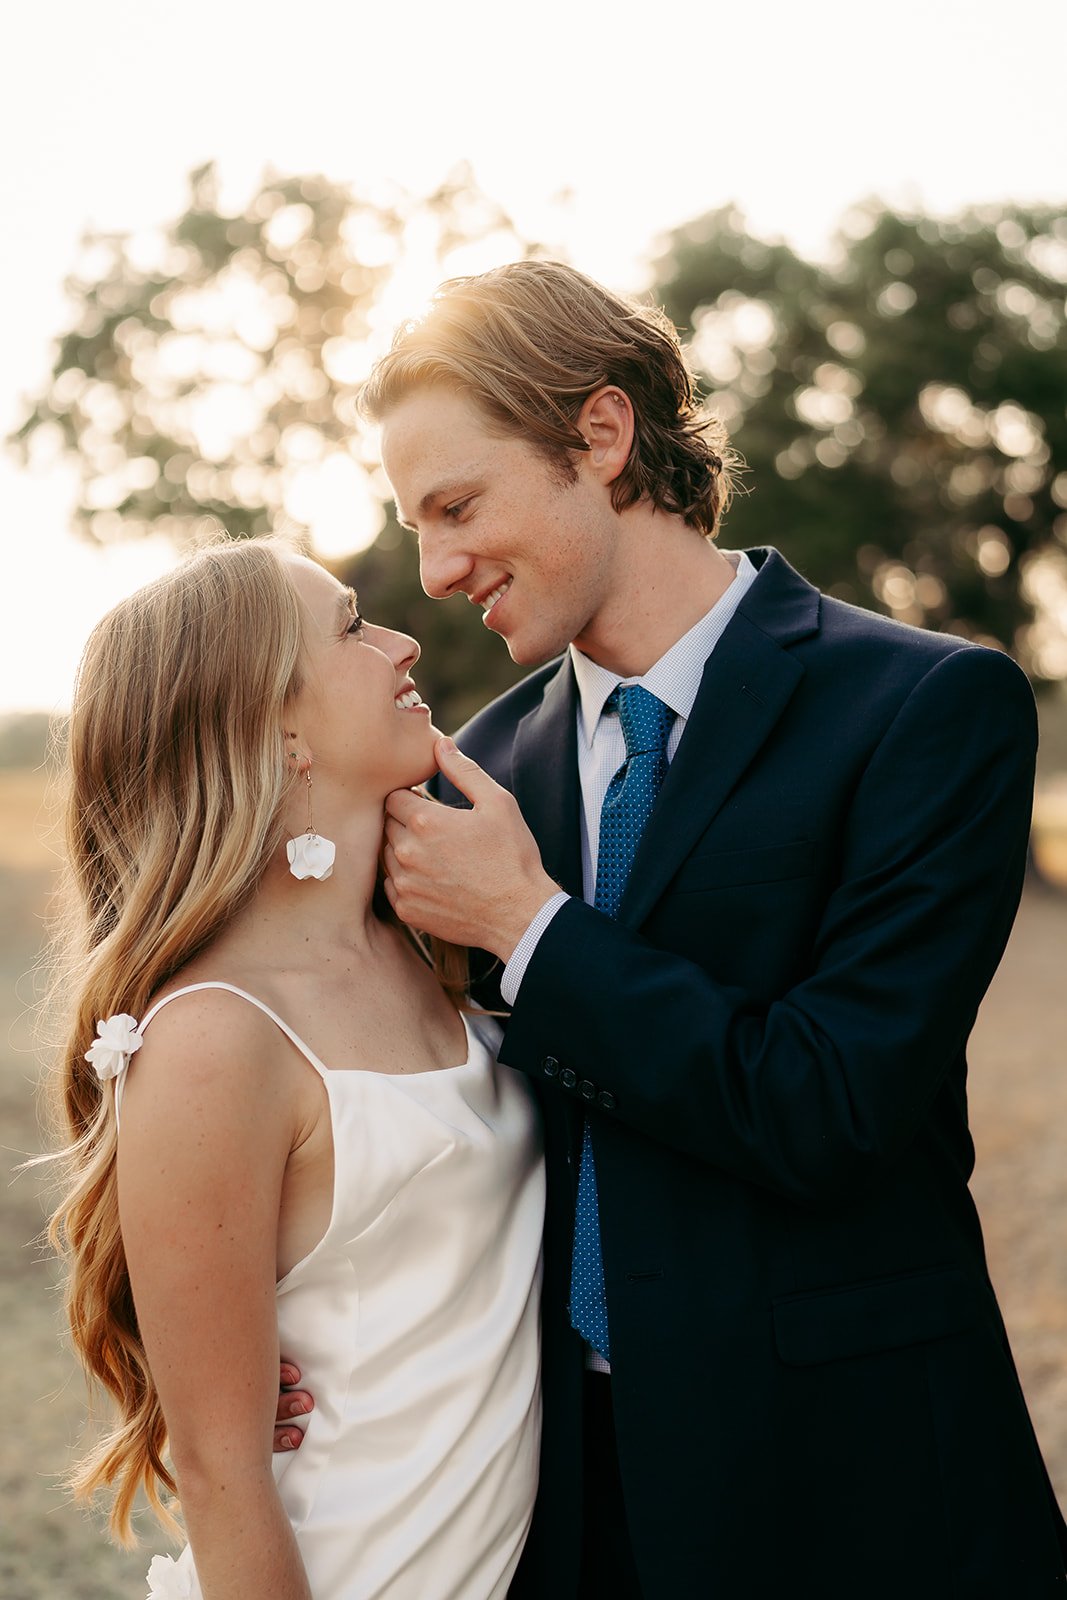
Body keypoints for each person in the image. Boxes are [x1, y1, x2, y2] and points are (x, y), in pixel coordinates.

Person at [346, 260, 1065, 1597]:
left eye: (458, 507)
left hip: (855, 1487)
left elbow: (830, 1103)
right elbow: (446, 1118)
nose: (437, 571)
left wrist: (533, 929)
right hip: (558, 1493)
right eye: (419, 525)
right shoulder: (476, 773)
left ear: (601, 436)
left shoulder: (925, 710)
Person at [45, 536, 544, 1600]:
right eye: (355, 627)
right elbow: (224, 1478)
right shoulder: (214, 1039)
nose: (405, 642)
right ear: (273, 727)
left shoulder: (431, 952)